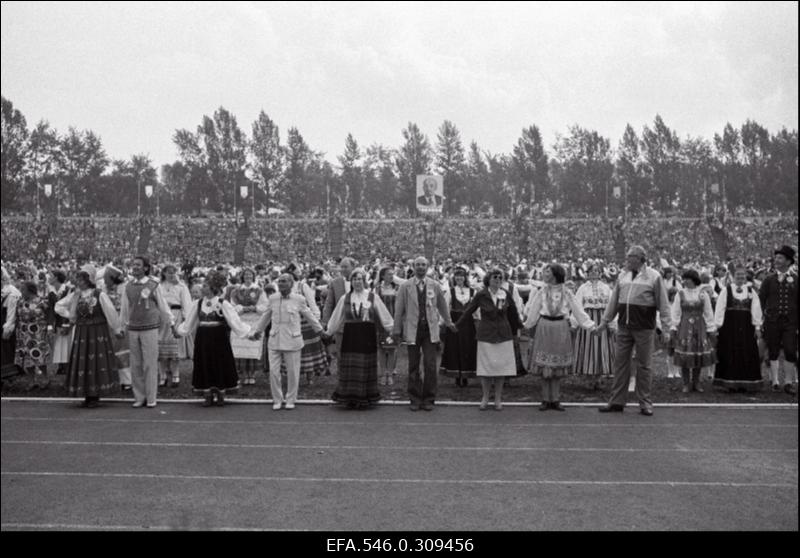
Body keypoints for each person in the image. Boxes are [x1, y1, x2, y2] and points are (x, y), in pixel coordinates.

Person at [597, 245, 671, 416]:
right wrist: (605, 321)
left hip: (645, 328)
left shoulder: (654, 276)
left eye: (631, 257)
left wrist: (666, 329)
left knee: (644, 365)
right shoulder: (623, 276)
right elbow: (614, 302)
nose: (627, 259)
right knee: (620, 364)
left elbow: (663, 304)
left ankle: (645, 403)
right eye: (628, 256)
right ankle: (616, 401)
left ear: (641, 258)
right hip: (624, 326)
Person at [524, 264, 595, 411]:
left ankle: (555, 399)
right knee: (545, 366)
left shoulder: (567, 292)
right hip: (545, 326)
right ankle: (545, 398)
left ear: (555, 274)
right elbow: (534, 310)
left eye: (547, 272)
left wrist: (589, 325)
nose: (544, 274)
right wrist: (526, 325)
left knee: (556, 367)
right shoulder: (542, 291)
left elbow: (577, 309)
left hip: (560, 327)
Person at [174, 270, 250, 406]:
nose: (202, 288)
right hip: (203, 338)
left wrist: (247, 333)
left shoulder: (222, 303)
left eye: (205, 286)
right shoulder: (197, 303)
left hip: (219, 338)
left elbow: (234, 321)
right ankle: (207, 393)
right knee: (204, 362)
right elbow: (189, 322)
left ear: (213, 288)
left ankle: (221, 392)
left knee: (219, 362)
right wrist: (180, 331)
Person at [250, 273, 324, 410]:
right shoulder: (273, 298)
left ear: (291, 284)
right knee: (273, 371)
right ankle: (277, 399)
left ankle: (291, 398)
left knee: (292, 372)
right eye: (279, 281)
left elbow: (309, 316)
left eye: (284, 281)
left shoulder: (299, 299)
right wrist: (257, 331)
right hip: (275, 339)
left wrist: (320, 330)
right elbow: (266, 316)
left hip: (292, 340)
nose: (281, 284)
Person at [392, 256, 456, 411]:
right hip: (412, 330)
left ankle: (429, 398)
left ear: (428, 267)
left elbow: (442, 306)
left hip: (430, 330)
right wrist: (396, 329)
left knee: (430, 364)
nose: (420, 267)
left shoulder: (434, 285)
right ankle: (414, 398)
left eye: (423, 265)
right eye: (418, 264)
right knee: (413, 365)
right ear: (413, 267)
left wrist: (448, 322)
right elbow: (399, 310)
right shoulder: (405, 286)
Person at [325, 268, 394, 409]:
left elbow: (384, 314)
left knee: (365, 366)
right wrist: (329, 331)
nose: (357, 282)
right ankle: (349, 396)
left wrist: (392, 329)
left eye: (360, 279)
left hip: (367, 336)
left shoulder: (373, 297)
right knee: (350, 367)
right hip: (350, 336)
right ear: (351, 282)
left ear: (364, 281)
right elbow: (337, 317)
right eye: (355, 279)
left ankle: (365, 396)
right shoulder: (345, 298)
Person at [55, 265, 122, 408]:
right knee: (84, 362)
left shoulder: (99, 294)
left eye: (81, 278)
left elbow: (110, 312)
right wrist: (72, 316)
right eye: (78, 278)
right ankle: (87, 393)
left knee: (96, 362)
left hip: (98, 332)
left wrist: (117, 329)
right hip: (82, 333)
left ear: (88, 279)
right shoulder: (76, 295)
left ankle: (95, 395)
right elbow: (59, 306)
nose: (78, 281)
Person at [455, 269, 522, 410]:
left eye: (500, 277)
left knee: (500, 368)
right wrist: (457, 325)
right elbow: (469, 311)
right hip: (486, 334)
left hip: (503, 334)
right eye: (494, 277)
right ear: (488, 279)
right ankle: (485, 397)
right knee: (486, 369)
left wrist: (520, 327)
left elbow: (513, 313)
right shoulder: (481, 295)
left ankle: (498, 398)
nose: (497, 280)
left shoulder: (506, 294)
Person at [119, 255, 175, 408]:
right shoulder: (128, 286)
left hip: (150, 327)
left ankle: (151, 397)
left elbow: (163, 306)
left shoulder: (153, 285)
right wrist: (121, 326)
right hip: (133, 328)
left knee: (150, 363)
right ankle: (139, 396)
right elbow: (125, 308)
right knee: (135, 364)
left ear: (145, 268)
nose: (135, 267)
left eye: (138, 265)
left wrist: (171, 322)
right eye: (133, 265)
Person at [713, 262, 763, 392]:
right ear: (733, 276)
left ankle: (746, 383)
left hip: (747, 328)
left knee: (747, 352)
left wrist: (757, 327)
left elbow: (756, 310)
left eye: (742, 274)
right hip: (729, 328)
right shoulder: (726, 290)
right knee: (729, 352)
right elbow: (719, 309)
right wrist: (717, 326)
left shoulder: (752, 291)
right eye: (738, 274)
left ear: (746, 276)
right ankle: (729, 383)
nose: (740, 277)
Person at [670, 269, 716, 394]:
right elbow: (675, 312)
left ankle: (696, 381)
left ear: (693, 280)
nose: (684, 281)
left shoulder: (703, 294)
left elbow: (708, 311)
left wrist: (711, 328)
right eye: (684, 279)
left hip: (699, 326)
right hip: (685, 326)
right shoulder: (680, 294)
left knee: (698, 354)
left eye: (687, 279)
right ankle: (686, 382)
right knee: (685, 355)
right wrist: (673, 327)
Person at [759, 245, 797, 394]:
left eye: (780, 258)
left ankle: (788, 382)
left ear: (788, 261)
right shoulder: (769, 280)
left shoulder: (796, 279)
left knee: (790, 350)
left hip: (791, 322)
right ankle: (774, 381)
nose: (777, 260)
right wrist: (761, 319)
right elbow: (761, 301)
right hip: (772, 321)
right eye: (776, 258)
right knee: (773, 350)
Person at [572, 262, 615, 386]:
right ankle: (588, 377)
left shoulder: (606, 288)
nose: (594, 273)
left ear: (600, 273)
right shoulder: (583, 288)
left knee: (602, 348)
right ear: (588, 274)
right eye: (591, 271)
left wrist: (612, 324)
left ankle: (598, 377)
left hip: (602, 320)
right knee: (587, 347)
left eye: (596, 271)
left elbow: (611, 306)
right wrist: (574, 324)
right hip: (587, 321)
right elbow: (577, 306)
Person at [287, 263, 328, 385]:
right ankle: (294, 376)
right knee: (293, 349)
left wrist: (316, 320)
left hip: (305, 322)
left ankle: (309, 378)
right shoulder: (284, 287)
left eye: (291, 274)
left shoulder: (302, 286)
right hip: (290, 322)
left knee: (308, 349)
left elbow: (312, 303)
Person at [228, 268, 268, 385]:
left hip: (254, 322)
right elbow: (232, 306)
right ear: (242, 277)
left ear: (253, 276)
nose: (248, 276)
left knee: (253, 347)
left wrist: (255, 308)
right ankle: (244, 374)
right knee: (241, 347)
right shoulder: (236, 291)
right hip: (241, 321)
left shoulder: (259, 290)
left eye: (250, 274)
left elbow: (265, 306)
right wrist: (242, 309)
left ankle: (252, 374)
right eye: (246, 275)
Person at [440, 267, 477, 387]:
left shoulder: (472, 291)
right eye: (457, 276)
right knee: (454, 348)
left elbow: (477, 310)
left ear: (465, 277)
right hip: (455, 323)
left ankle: (466, 376)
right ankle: (456, 376)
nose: (459, 278)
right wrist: (446, 323)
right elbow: (445, 308)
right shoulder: (450, 291)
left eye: (461, 276)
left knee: (467, 348)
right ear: (454, 278)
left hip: (468, 324)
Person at [158, 264, 192, 388]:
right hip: (162, 318)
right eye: (169, 272)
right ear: (164, 273)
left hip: (176, 316)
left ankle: (175, 374)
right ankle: (162, 375)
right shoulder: (158, 286)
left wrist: (185, 320)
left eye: (173, 272)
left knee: (174, 348)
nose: (171, 274)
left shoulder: (181, 286)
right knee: (160, 347)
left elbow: (186, 304)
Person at [14, 281, 52, 389]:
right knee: (26, 357)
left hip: (38, 333)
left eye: (23, 290)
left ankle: (45, 378)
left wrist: (49, 328)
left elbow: (49, 315)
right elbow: (17, 316)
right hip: (24, 333)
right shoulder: (20, 301)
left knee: (40, 356)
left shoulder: (41, 301)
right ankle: (31, 380)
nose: (21, 292)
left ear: (30, 290)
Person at [322, 257, 355, 373]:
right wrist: (325, 321)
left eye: (346, 266)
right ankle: (342, 375)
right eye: (342, 267)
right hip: (341, 323)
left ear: (353, 267)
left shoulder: (361, 282)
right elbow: (329, 303)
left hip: (357, 322)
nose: (343, 269)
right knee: (341, 350)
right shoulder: (335, 283)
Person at [102, 264, 131, 391]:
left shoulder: (125, 288)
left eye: (106, 277)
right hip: (108, 323)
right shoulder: (103, 289)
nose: (104, 280)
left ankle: (127, 380)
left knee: (123, 352)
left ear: (112, 278)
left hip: (121, 322)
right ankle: (113, 379)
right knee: (110, 351)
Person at [374, 266, 401, 386]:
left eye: (392, 274)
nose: (392, 276)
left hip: (393, 322)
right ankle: (383, 373)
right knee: (381, 348)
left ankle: (389, 374)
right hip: (380, 322)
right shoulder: (377, 289)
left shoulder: (397, 288)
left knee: (391, 348)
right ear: (383, 276)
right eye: (389, 274)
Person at [46, 269, 72, 376]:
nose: (49, 278)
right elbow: (51, 310)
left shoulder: (67, 290)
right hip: (57, 322)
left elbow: (70, 308)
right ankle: (61, 366)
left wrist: (67, 323)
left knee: (67, 344)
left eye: (51, 276)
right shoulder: (51, 292)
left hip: (66, 321)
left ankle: (67, 366)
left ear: (56, 278)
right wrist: (50, 325)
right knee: (58, 344)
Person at [1, 266, 22, 379]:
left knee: (6, 351)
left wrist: (7, 328)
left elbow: (11, 314)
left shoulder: (11, 293)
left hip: (6, 324)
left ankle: (8, 376)